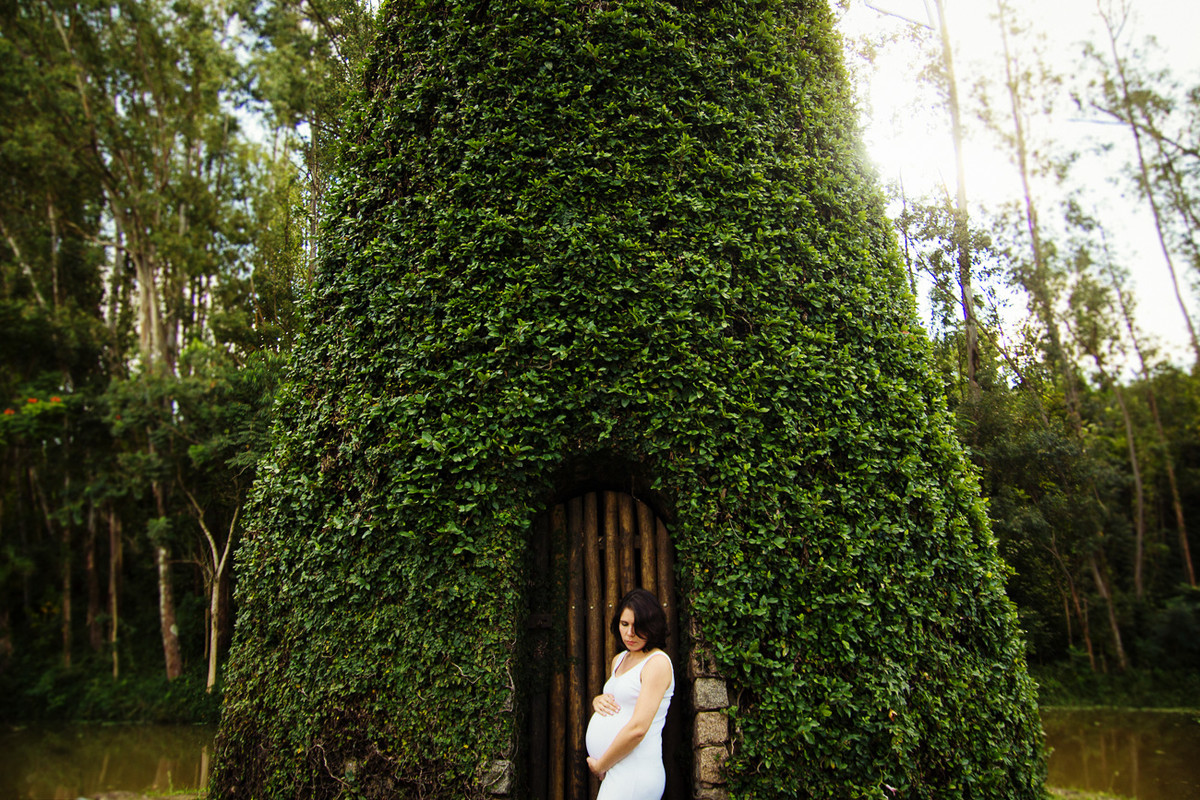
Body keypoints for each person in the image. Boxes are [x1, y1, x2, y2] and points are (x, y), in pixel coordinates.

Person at [584, 588, 675, 800]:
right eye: (624, 624)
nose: (630, 633)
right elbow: (622, 702)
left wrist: (601, 764)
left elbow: (638, 729)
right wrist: (597, 700)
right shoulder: (620, 659)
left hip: (635, 770)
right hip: (618, 767)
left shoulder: (657, 663)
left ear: (652, 626)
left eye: (638, 626)